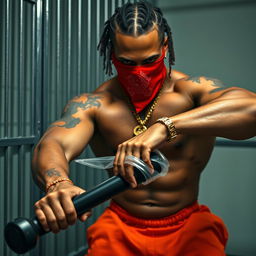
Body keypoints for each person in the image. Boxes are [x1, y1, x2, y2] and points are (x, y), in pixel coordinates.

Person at [31, 1, 256, 255]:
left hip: (188, 226)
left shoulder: (192, 91)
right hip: (120, 226)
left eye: (149, 61)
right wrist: (57, 183)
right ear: (111, 54)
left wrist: (165, 127)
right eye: (128, 63)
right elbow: (52, 144)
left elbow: (252, 109)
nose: (140, 74)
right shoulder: (96, 105)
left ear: (165, 47)